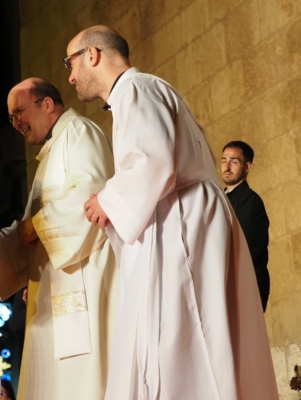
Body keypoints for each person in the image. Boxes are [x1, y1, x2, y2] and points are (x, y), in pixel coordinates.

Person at [66, 25, 279, 399]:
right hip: (187, 216)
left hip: (182, 223)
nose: (69, 76)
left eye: (70, 63)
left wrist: (107, 200)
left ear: (93, 54)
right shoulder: (143, 89)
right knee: (196, 337)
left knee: (182, 341)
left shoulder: (134, 89)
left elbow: (154, 161)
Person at [0, 78, 119, 399]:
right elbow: (30, 229)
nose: (16, 124)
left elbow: (88, 197)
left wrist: (34, 228)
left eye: (19, 113)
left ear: (47, 104)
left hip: (81, 286)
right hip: (53, 290)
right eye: (11, 118)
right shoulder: (50, 156)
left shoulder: (80, 133)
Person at [222, 141, 270, 311]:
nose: (227, 166)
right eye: (223, 160)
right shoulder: (218, 199)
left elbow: (247, 250)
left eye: (234, 161)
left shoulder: (251, 201)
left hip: (245, 283)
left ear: (247, 167)